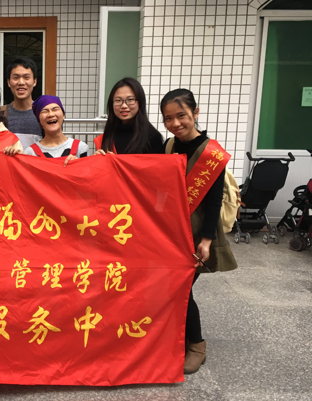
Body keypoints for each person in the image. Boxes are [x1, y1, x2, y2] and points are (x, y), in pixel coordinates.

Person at [161, 88, 237, 375]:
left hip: (195, 233)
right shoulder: (169, 146)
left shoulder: (211, 153)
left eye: (181, 115)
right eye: (168, 118)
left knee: (181, 288)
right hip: (171, 231)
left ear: (195, 112)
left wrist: (206, 241)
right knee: (172, 288)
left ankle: (197, 346)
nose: (175, 123)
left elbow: (214, 201)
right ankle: (179, 340)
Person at [94, 77, 164, 155]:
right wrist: (97, 158)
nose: (124, 105)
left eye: (130, 100)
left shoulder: (152, 137)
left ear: (140, 102)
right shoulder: (108, 134)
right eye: (118, 100)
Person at [24, 95, 89, 166]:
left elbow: (89, 172)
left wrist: (78, 166)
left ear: (63, 115)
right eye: (44, 111)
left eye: (55, 109)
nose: (51, 114)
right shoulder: (30, 153)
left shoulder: (81, 148)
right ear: (39, 120)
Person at [1, 56, 42, 149]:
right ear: (8, 82)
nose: (21, 82)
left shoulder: (44, 114)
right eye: (16, 78)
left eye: (26, 77)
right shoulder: (0, 114)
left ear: (34, 81)